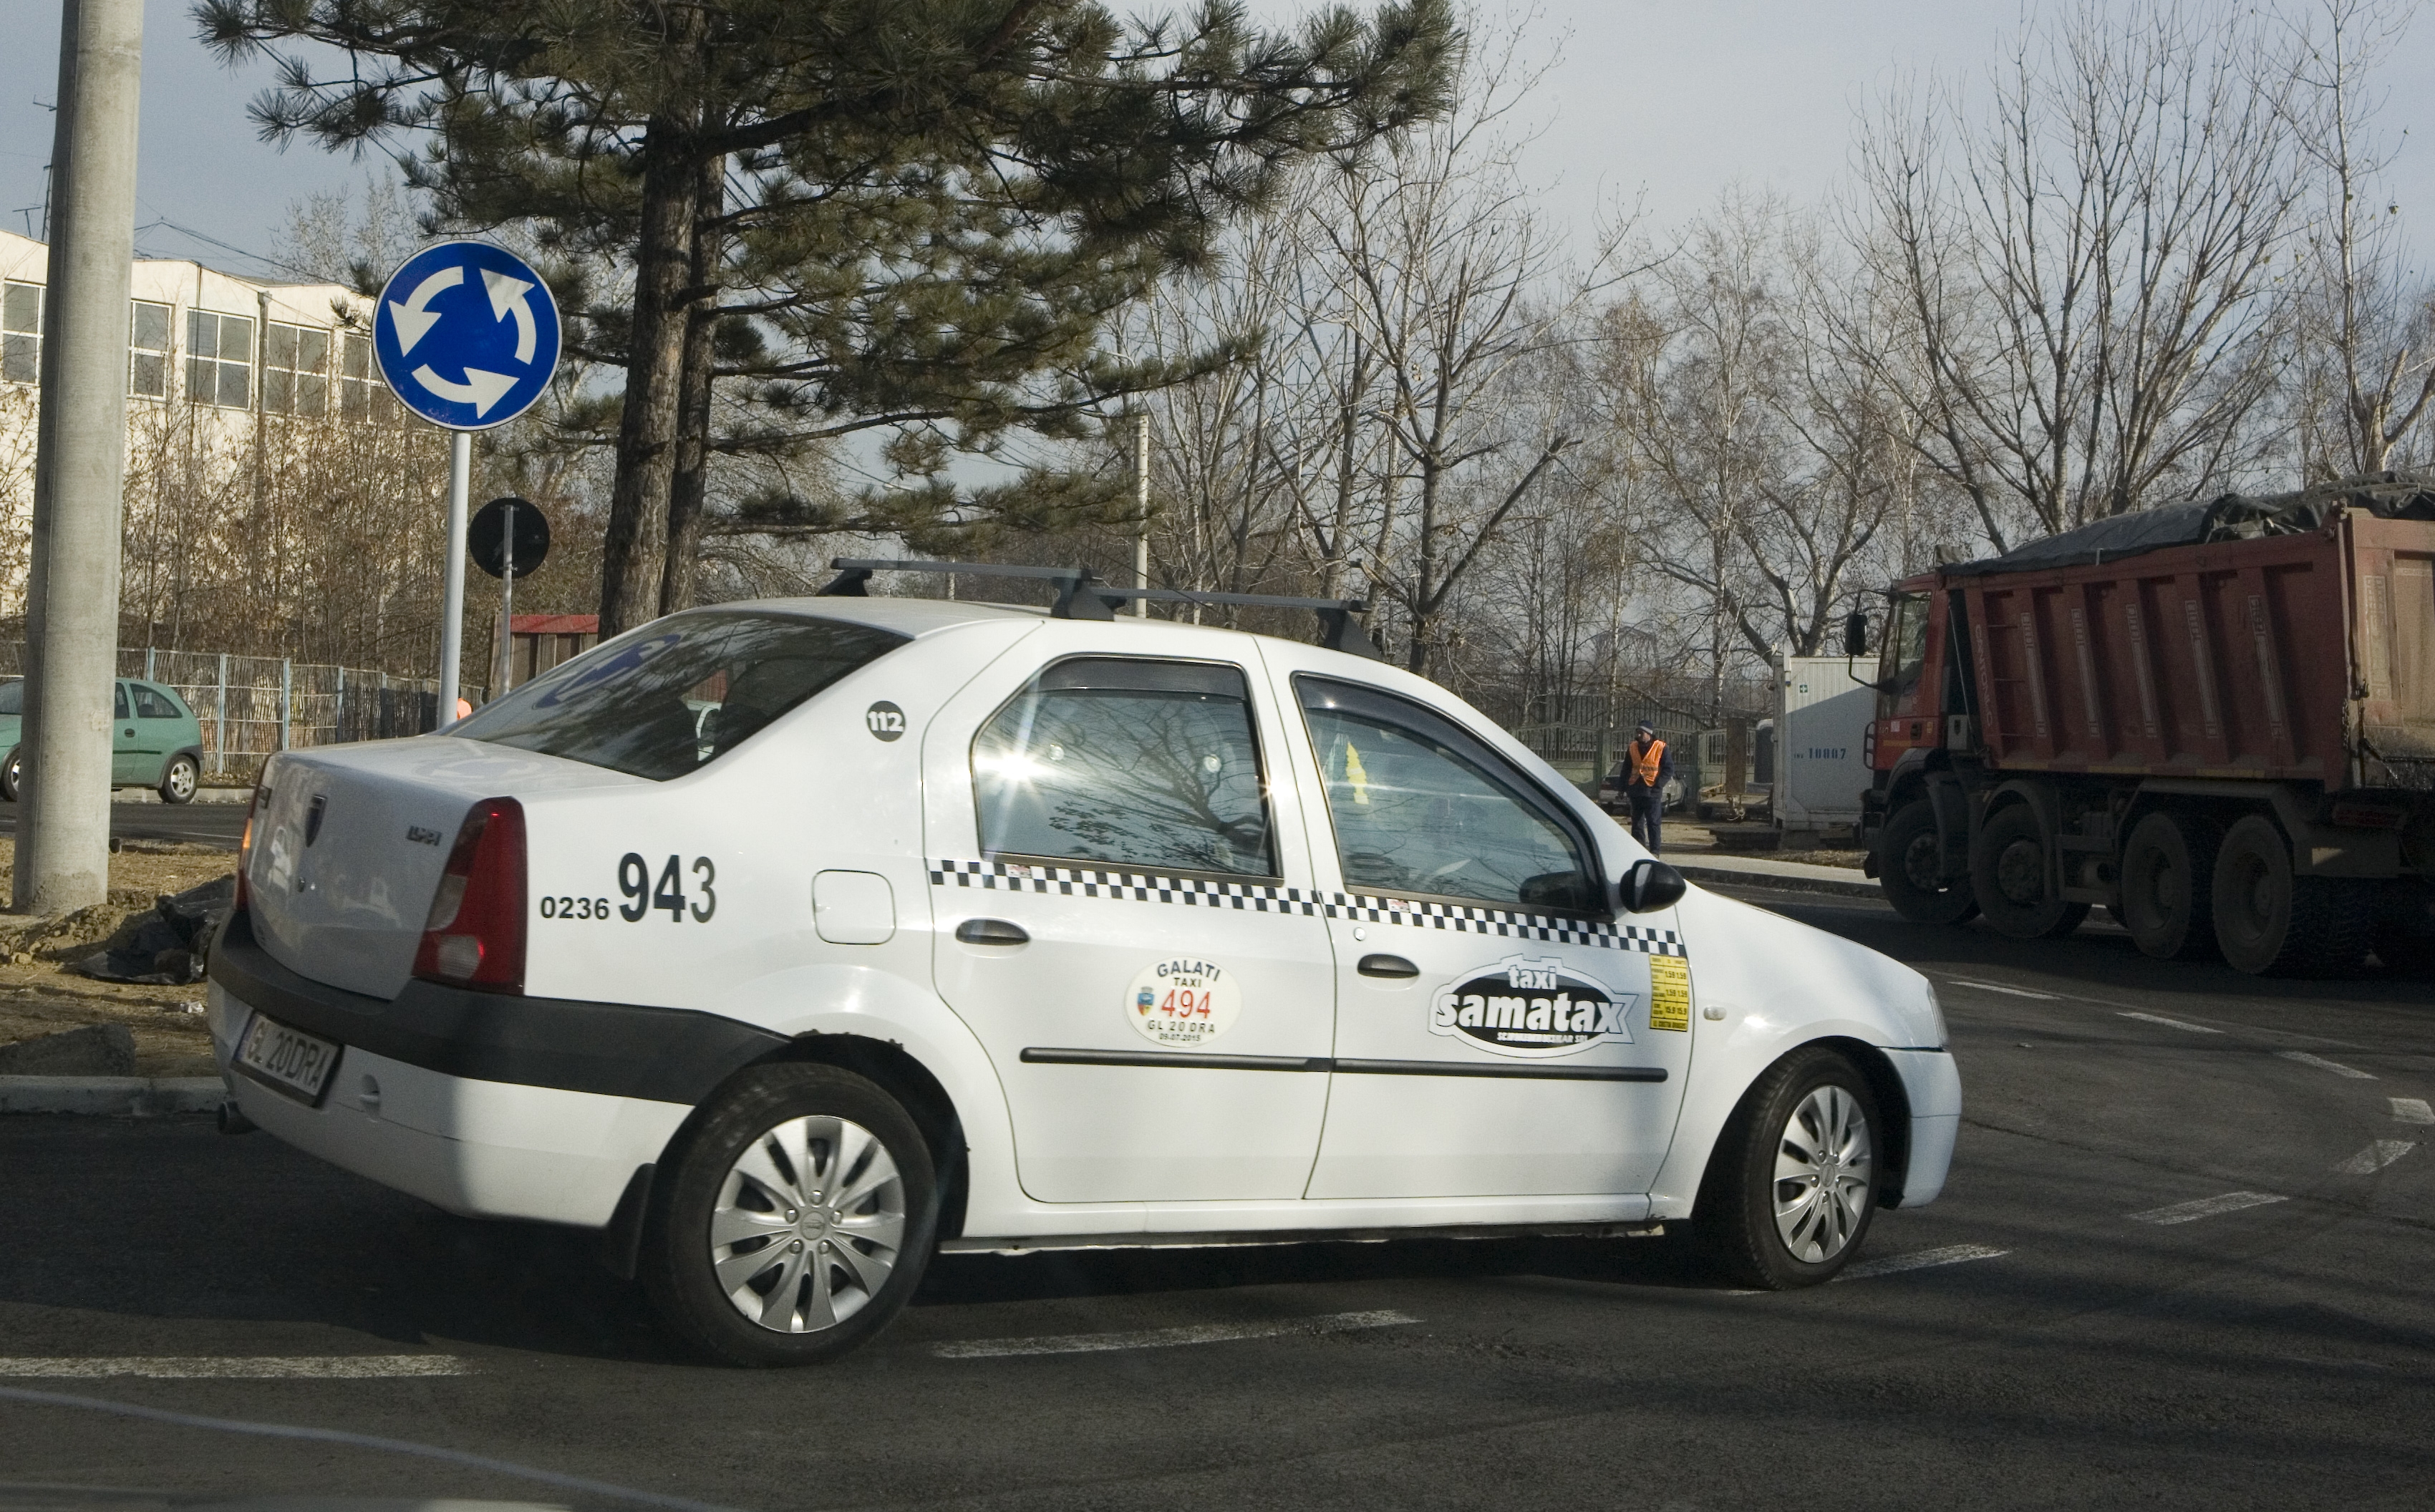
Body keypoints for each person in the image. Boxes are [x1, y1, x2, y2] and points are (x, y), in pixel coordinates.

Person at [1618, 721, 1672, 854]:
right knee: (1637, 824)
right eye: (1638, 732)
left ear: (1649, 734)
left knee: (1653, 823)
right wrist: (1622, 788)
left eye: (1641, 733)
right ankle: (1639, 851)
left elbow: (1669, 769)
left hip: (1652, 792)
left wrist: (1659, 785)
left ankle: (1655, 852)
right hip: (1636, 791)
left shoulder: (1661, 747)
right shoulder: (1633, 747)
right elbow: (1626, 769)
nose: (1639, 735)